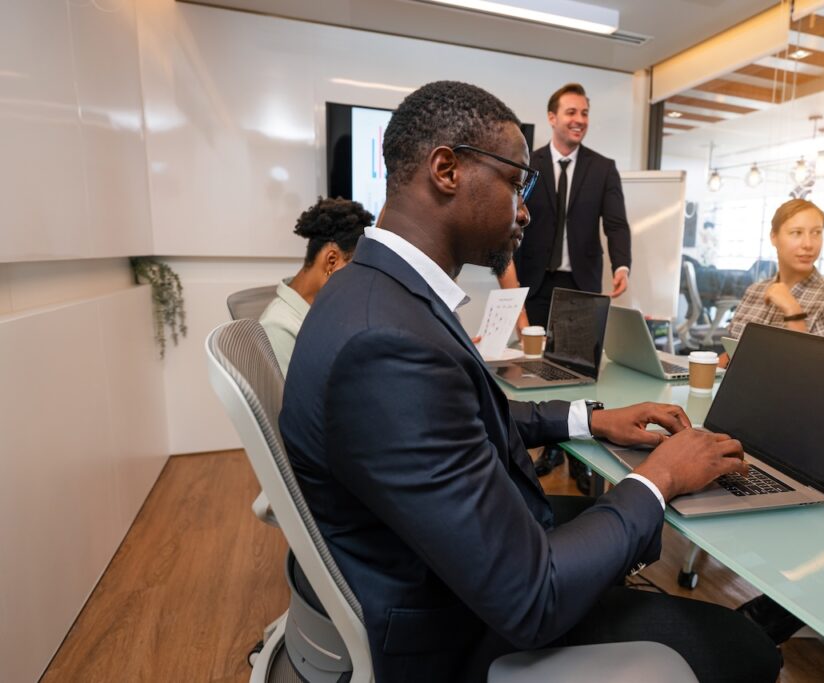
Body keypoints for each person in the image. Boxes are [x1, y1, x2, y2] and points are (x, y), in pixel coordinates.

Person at [280, 80, 780, 683]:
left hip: (438, 564)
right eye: (517, 183)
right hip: (453, 627)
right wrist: (662, 476)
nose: (525, 210)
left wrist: (588, 419)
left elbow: (452, 416)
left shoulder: (372, 293)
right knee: (746, 651)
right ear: (447, 169)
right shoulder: (384, 345)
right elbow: (532, 598)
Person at [498, 83, 631, 330]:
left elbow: (616, 224)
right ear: (552, 117)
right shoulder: (528, 164)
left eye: (584, 113)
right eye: (571, 112)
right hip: (535, 284)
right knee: (533, 361)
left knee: (579, 363)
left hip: (583, 285)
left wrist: (621, 266)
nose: (579, 120)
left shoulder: (604, 168)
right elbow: (510, 220)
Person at [258, 197, 374, 374]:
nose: (359, 281)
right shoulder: (278, 328)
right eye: (356, 268)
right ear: (331, 261)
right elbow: (294, 400)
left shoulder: (322, 309)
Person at [725, 198, 824, 349]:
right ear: (774, 237)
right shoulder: (755, 290)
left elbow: (822, 369)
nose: (808, 244)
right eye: (796, 233)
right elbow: (730, 353)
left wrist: (793, 311)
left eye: (816, 233)